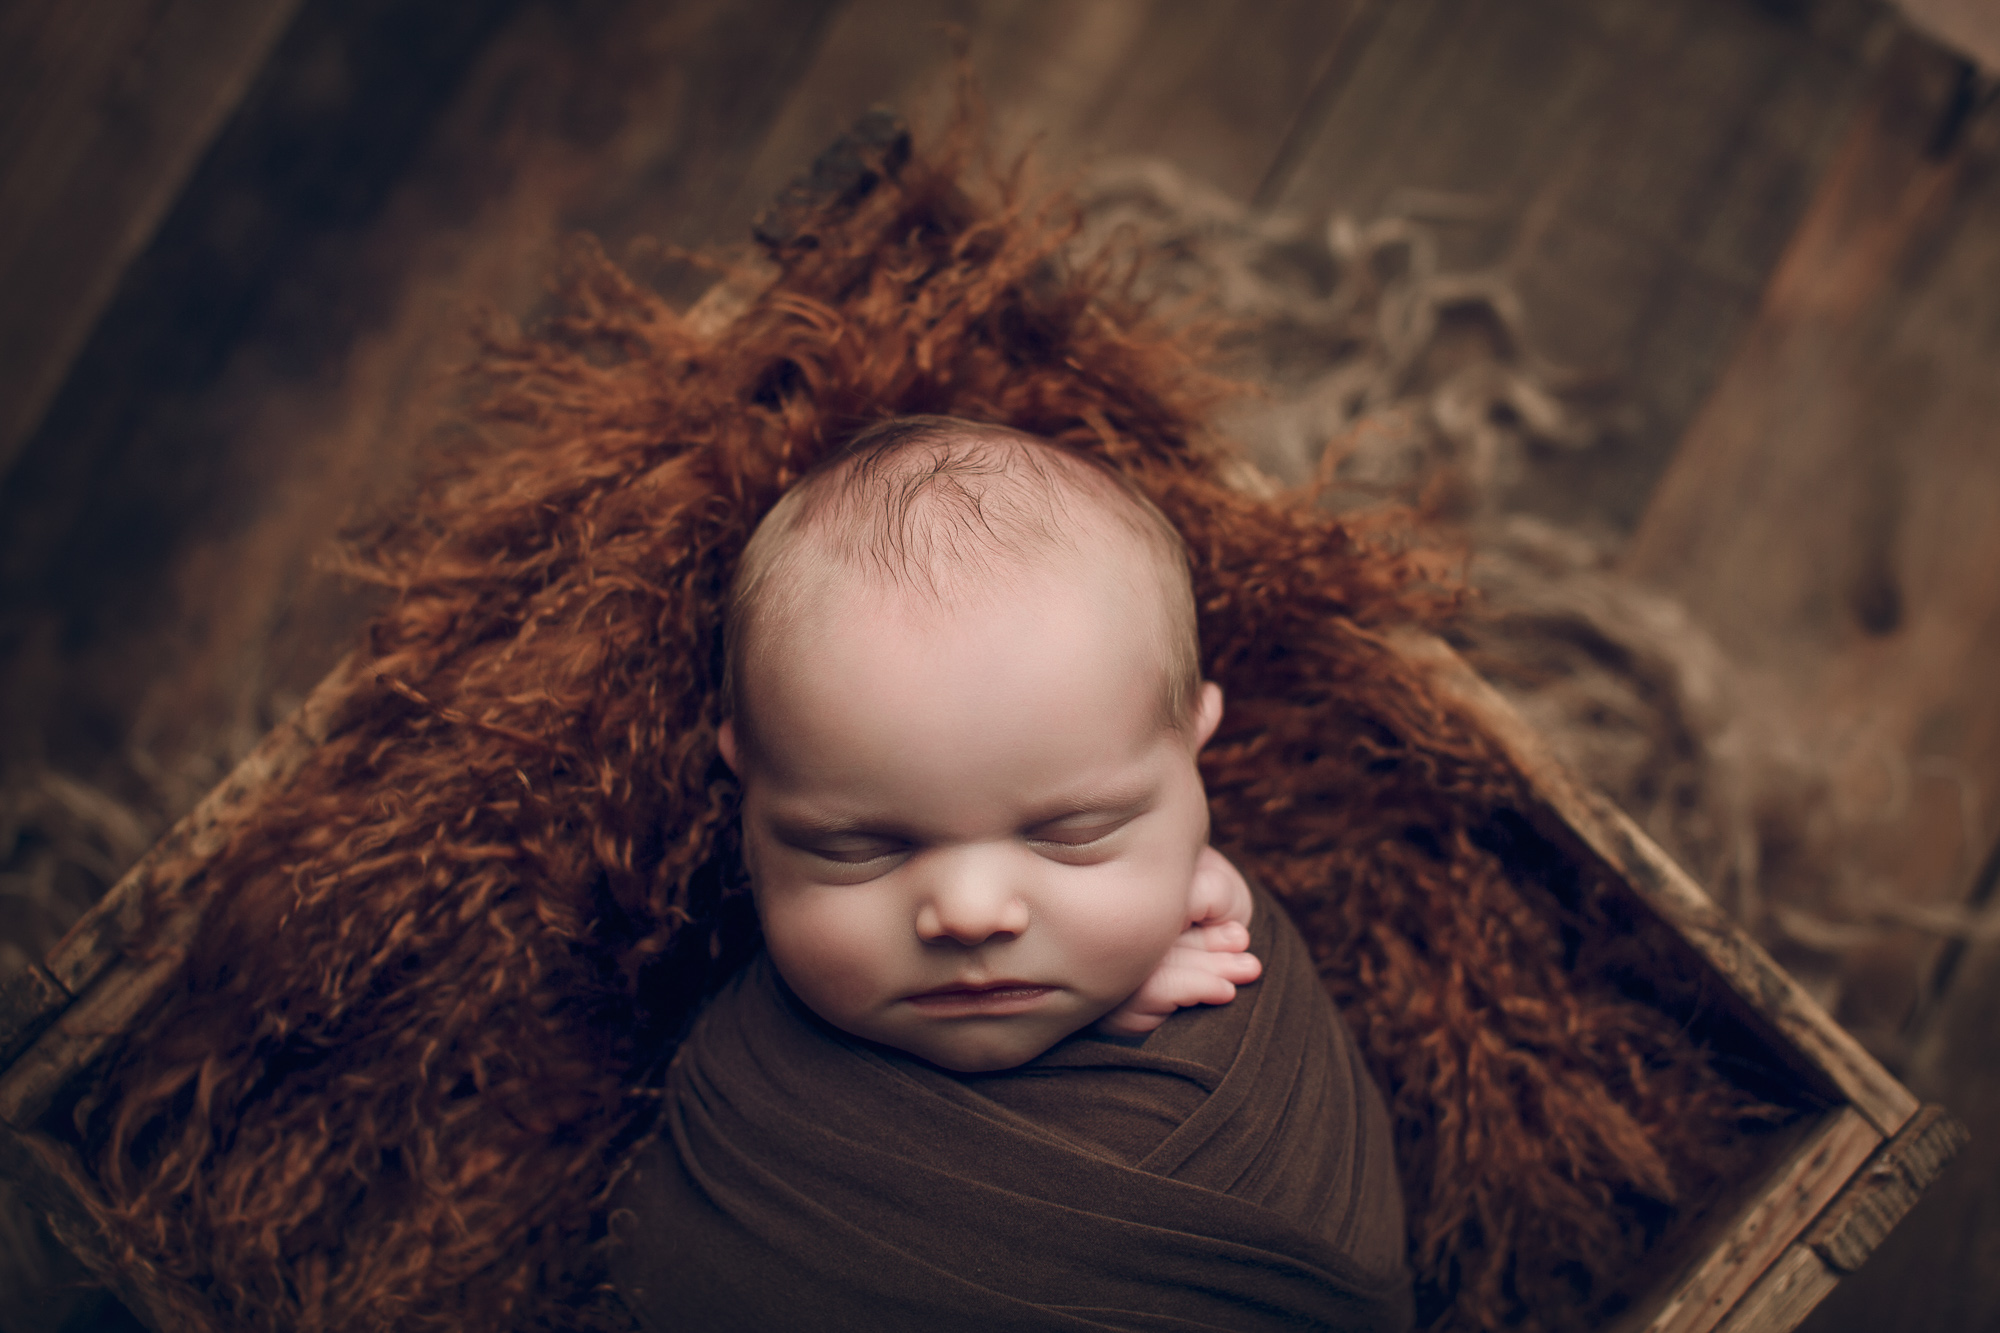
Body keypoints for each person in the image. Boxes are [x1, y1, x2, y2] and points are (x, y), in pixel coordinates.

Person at [612, 416, 1412, 1331]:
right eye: (857, 849)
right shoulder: (752, 1106)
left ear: (1195, 750)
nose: (970, 912)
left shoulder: (1241, 1078)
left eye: (1074, 833)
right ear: (749, 793)